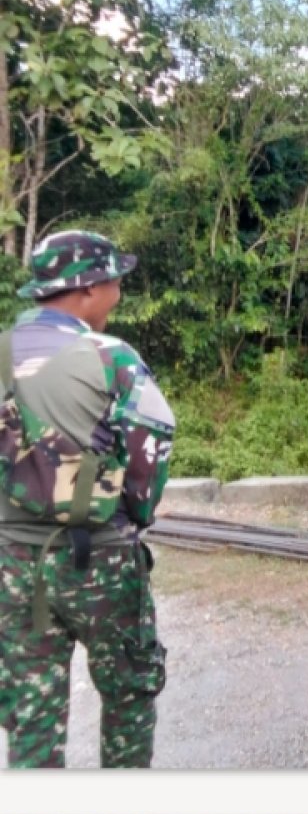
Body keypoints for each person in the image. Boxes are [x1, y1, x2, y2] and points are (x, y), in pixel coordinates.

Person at [0, 230, 175, 769]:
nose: (118, 292)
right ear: (89, 289)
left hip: (11, 564)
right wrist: (135, 516)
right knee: (129, 697)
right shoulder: (110, 357)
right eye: (115, 281)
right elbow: (153, 440)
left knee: (31, 714)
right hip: (99, 557)